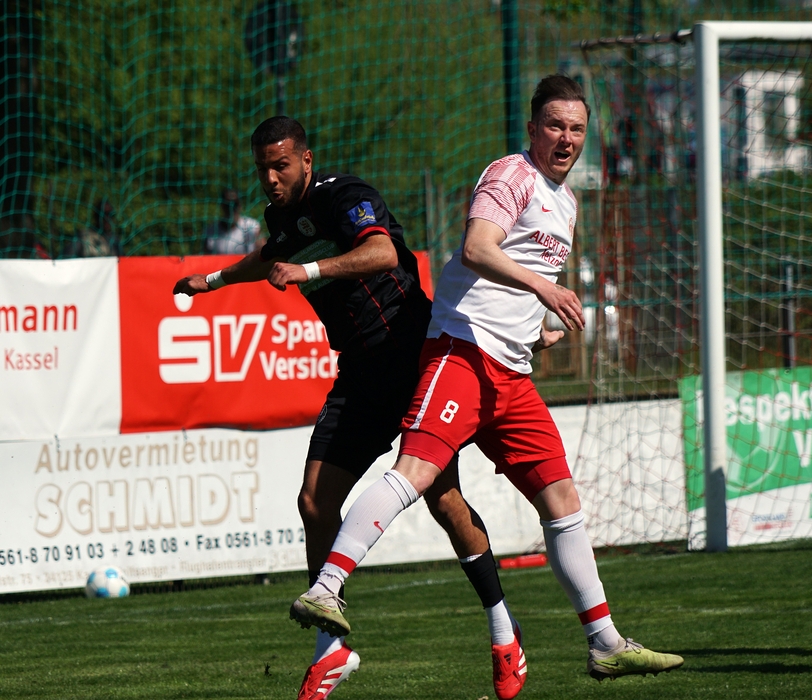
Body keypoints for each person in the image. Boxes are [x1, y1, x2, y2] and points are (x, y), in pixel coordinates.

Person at [287, 75, 684, 698]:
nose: (567, 138)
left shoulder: (567, 202)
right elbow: (477, 248)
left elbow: (514, 285)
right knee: (417, 474)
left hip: (511, 375)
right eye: (555, 126)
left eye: (577, 129)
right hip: (462, 355)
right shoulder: (511, 175)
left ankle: (605, 643)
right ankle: (327, 588)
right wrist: (546, 288)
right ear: (532, 129)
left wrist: (536, 332)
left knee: (562, 500)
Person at [172, 116, 509, 700]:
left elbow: (381, 252)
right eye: (262, 169)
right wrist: (214, 280)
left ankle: (505, 633)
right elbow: (269, 255)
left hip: (410, 355)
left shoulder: (344, 195)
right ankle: (331, 651)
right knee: (315, 501)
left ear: (306, 160)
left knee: (444, 499)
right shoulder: (280, 219)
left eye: (280, 166)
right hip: (359, 372)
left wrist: (308, 270)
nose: (271, 179)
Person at [202, 187, 264, 254]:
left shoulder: (252, 227)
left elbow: (263, 252)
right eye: (227, 205)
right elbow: (205, 256)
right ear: (222, 205)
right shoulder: (211, 231)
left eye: (235, 204)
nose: (231, 208)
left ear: (240, 206)